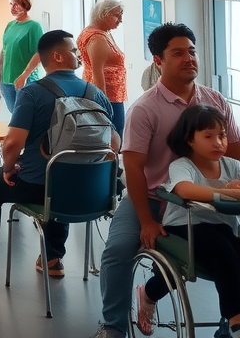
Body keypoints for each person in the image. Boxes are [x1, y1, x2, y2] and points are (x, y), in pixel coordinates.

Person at [90, 22, 240, 338]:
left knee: (226, 254)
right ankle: (114, 327)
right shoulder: (145, 108)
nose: (189, 59)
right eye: (178, 53)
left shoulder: (215, 101)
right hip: (151, 196)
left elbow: (235, 154)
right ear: (158, 61)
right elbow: (132, 168)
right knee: (118, 251)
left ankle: (230, 325)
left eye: (192, 51)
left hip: (202, 199)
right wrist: (145, 220)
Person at [0, 30, 119, 286]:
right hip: (91, 191)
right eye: (74, 51)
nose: (78, 55)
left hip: (38, 186)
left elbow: (12, 143)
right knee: (61, 180)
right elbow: (115, 143)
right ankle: (52, 258)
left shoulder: (33, 93)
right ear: (57, 56)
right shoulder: (94, 92)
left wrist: (8, 168)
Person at [135, 104, 240, 336]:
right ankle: (235, 322)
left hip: (223, 229)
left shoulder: (232, 166)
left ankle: (227, 326)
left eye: (222, 135)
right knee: (221, 252)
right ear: (189, 140)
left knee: (230, 254)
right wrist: (230, 192)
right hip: (185, 227)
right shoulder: (183, 165)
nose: (218, 142)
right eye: (208, 136)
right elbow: (184, 190)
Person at [78, 0, 127, 136]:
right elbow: (97, 73)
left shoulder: (103, 32)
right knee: (112, 135)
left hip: (112, 94)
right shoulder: (97, 38)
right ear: (104, 15)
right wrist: (103, 104)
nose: (120, 20)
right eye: (117, 15)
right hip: (107, 96)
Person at [0, 0, 43, 113]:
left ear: (25, 5)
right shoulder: (10, 25)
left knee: (24, 116)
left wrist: (24, 75)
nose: (12, 8)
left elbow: (38, 54)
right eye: (11, 4)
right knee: (14, 115)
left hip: (25, 80)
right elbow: (4, 50)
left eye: (16, 4)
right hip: (6, 79)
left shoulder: (34, 26)